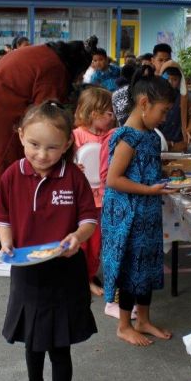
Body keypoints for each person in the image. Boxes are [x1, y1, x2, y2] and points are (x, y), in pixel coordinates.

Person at [0, 101, 97, 381]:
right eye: (34, 145)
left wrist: (77, 237)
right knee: (32, 338)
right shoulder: (12, 175)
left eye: (52, 147)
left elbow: (88, 219)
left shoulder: (74, 176)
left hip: (65, 273)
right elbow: (2, 216)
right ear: (21, 136)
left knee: (59, 345)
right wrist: (6, 242)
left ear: (68, 144)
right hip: (27, 272)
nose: (42, 154)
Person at [0, 40, 92, 278]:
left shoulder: (36, 53)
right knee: (13, 191)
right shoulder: (53, 67)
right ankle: (3, 254)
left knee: (8, 189)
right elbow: (48, 117)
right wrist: (67, 157)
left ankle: (1, 252)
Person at [101, 65, 174, 346]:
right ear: (144, 104)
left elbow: (147, 168)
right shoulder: (127, 137)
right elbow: (113, 180)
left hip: (147, 213)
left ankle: (143, 319)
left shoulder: (152, 137)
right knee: (131, 270)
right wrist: (147, 189)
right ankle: (124, 324)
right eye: (163, 111)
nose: (165, 118)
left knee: (148, 266)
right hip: (128, 216)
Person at [73, 87, 116, 297]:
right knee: (83, 242)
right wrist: (74, 167)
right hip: (82, 201)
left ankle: (90, 274)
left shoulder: (111, 136)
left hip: (105, 199)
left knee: (97, 242)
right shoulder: (76, 136)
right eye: (108, 113)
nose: (112, 117)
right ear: (93, 113)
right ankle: (84, 278)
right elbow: (64, 163)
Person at [159, 63, 191, 152]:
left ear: (180, 81)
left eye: (174, 79)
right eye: (168, 79)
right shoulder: (157, 96)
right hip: (161, 140)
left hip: (179, 141)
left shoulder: (184, 97)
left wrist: (189, 130)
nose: (170, 82)